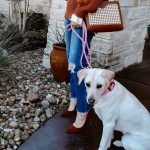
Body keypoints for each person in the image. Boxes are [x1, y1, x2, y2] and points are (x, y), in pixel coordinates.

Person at [61, 0, 100, 133]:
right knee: (72, 63)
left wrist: (79, 12)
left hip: (82, 17)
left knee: (78, 66)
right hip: (70, 16)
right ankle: (74, 100)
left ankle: (84, 110)